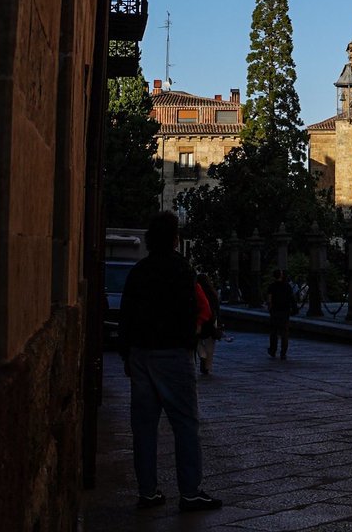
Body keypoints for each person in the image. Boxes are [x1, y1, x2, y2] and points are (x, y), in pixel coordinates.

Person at [118, 211, 222, 513]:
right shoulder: (182, 270)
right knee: (186, 424)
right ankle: (189, 492)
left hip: (140, 354)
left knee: (144, 427)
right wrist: (189, 341)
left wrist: (127, 353)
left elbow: (126, 314)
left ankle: (147, 491)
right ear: (175, 239)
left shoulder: (138, 271)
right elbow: (195, 310)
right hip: (173, 355)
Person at [196, 274, 221, 377]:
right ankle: (208, 367)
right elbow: (217, 308)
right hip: (211, 320)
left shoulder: (197, 292)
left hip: (200, 319)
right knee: (210, 344)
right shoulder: (213, 293)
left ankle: (202, 354)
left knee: (197, 340)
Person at [266, 268, 294, 359]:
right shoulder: (287, 286)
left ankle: (273, 350)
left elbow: (269, 300)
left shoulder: (271, 286)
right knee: (284, 333)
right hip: (285, 311)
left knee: (273, 332)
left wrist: (270, 309)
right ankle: (283, 352)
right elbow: (291, 299)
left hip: (275, 311)